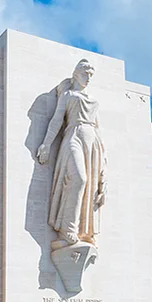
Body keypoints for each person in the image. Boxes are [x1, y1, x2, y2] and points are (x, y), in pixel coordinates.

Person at [36, 59, 106, 250]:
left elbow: (98, 129)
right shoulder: (67, 95)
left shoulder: (93, 101)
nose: (88, 78)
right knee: (79, 179)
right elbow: (57, 120)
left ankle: (84, 232)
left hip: (92, 141)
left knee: (89, 187)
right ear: (76, 73)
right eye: (85, 73)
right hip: (73, 135)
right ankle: (67, 228)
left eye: (91, 75)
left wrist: (104, 169)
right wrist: (46, 144)